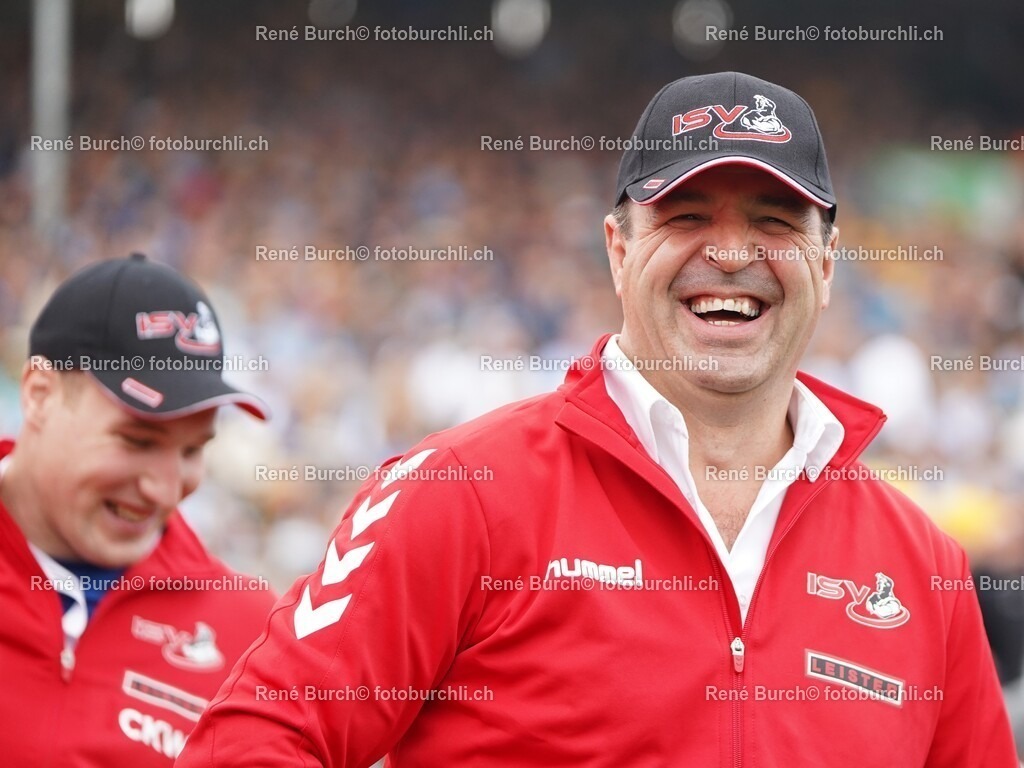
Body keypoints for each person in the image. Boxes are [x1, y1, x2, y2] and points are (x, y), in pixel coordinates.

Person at [176, 72, 1017, 766]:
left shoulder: (923, 568)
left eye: (773, 220)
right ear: (618, 250)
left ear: (827, 264)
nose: (730, 253)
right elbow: (256, 740)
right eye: (687, 217)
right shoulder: (462, 493)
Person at [0, 253, 276, 766]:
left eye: (193, 450)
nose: (167, 490)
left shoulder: (251, 636)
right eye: (137, 440)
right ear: (39, 396)